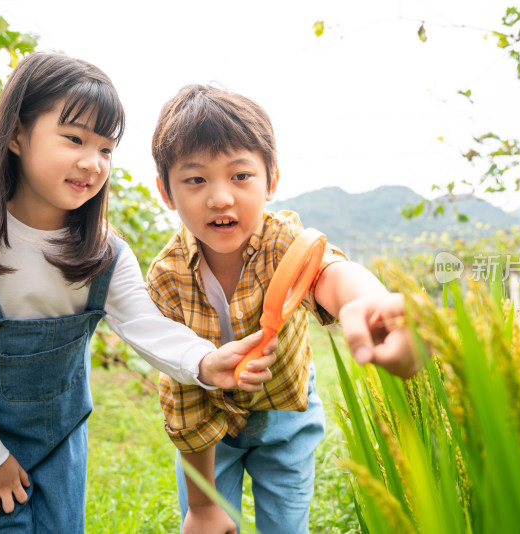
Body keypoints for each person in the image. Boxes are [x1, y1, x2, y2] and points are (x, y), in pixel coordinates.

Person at [0, 54, 277, 533]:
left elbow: (146, 324)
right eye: (74, 139)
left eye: (106, 149)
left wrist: (204, 361)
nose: (92, 163)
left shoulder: (103, 254)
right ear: (16, 134)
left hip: (63, 446)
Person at [148, 84, 421, 534]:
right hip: (208, 431)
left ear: (271, 180)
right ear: (166, 191)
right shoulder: (167, 278)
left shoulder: (283, 243)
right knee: (208, 525)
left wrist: (369, 304)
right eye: (196, 179)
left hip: (286, 419)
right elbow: (182, 394)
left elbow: (326, 270)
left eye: (240, 176)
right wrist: (200, 507)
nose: (220, 197)